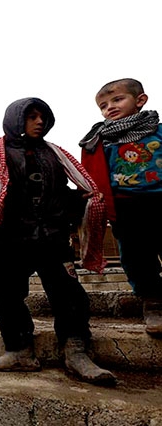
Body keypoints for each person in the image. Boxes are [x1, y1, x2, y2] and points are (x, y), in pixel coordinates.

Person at [0, 97, 116, 386]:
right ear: (16, 119)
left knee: (70, 295)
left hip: (52, 239)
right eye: (31, 116)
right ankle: (20, 352)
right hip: (11, 240)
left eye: (43, 117)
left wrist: (78, 198)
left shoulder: (54, 154)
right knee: (7, 297)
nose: (39, 122)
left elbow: (61, 191)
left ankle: (76, 352)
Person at [79, 78, 162, 336]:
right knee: (136, 255)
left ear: (140, 100)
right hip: (126, 205)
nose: (109, 108)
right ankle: (154, 303)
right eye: (103, 106)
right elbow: (91, 175)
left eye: (117, 100)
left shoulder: (157, 130)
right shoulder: (100, 139)